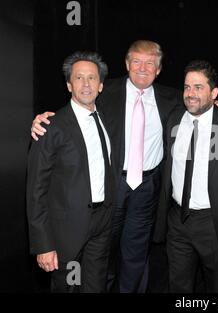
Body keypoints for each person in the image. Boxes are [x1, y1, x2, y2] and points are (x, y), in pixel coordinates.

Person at [30, 40, 218, 293]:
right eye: (136, 61)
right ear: (127, 64)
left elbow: (199, 104)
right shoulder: (103, 91)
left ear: (159, 70)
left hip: (147, 189)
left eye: (150, 63)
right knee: (101, 257)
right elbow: (74, 113)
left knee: (135, 256)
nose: (143, 68)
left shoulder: (172, 98)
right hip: (110, 187)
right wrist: (41, 119)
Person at [152, 60, 218, 292]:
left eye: (198, 87)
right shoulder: (174, 118)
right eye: (186, 87)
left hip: (214, 224)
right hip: (177, 220)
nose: (190, 94)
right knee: (178, 287)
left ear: (214, 93)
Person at [27, 51, 114, 292]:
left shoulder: (107, 119)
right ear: (68, 85)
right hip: (66, 232)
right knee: (67, 289)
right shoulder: (50, 127)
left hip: (102, 225)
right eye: (79, 78)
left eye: (92, 78)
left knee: (95, 287)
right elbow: (35, 190)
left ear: (101, 85)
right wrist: (43, 244)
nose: (86, 84)